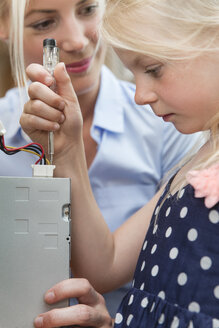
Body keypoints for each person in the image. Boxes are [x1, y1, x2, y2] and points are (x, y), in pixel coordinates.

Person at [20, 0, 219, 327]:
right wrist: (68, 150)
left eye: (154, 69)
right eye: (134, 74)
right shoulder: (198, 161)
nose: (140, 95)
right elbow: (105, 265)